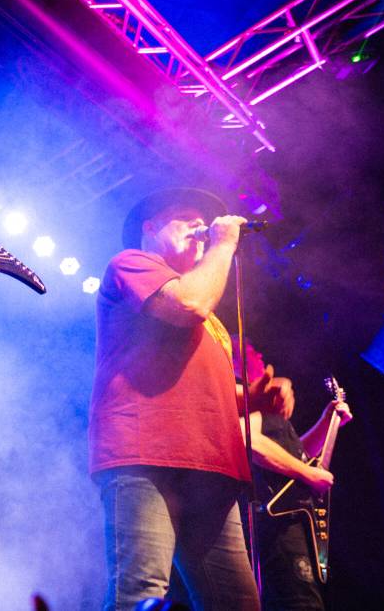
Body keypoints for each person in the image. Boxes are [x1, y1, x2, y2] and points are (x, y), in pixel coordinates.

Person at [90, 187, 284, 611]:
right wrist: (223, 244)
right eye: (186, 218)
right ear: (150, 227)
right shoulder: (132, 263)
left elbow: (202, 386)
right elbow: (189, 303)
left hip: (212, 466)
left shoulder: (213, 319)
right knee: (141, 593)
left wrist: (253, 398)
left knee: (237, 604)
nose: (200, 228)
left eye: (204, 222)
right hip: (146, 453)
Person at [233, 339, 353, 611]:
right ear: (235, 362)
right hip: (276, 524)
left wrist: (327, 420)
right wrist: (308, 474)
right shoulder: (249, 407)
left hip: (294, 520)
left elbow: (295, 454)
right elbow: (246, 439)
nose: (258, 353)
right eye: (248, 350)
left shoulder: (268, 409)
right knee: (299, 602)